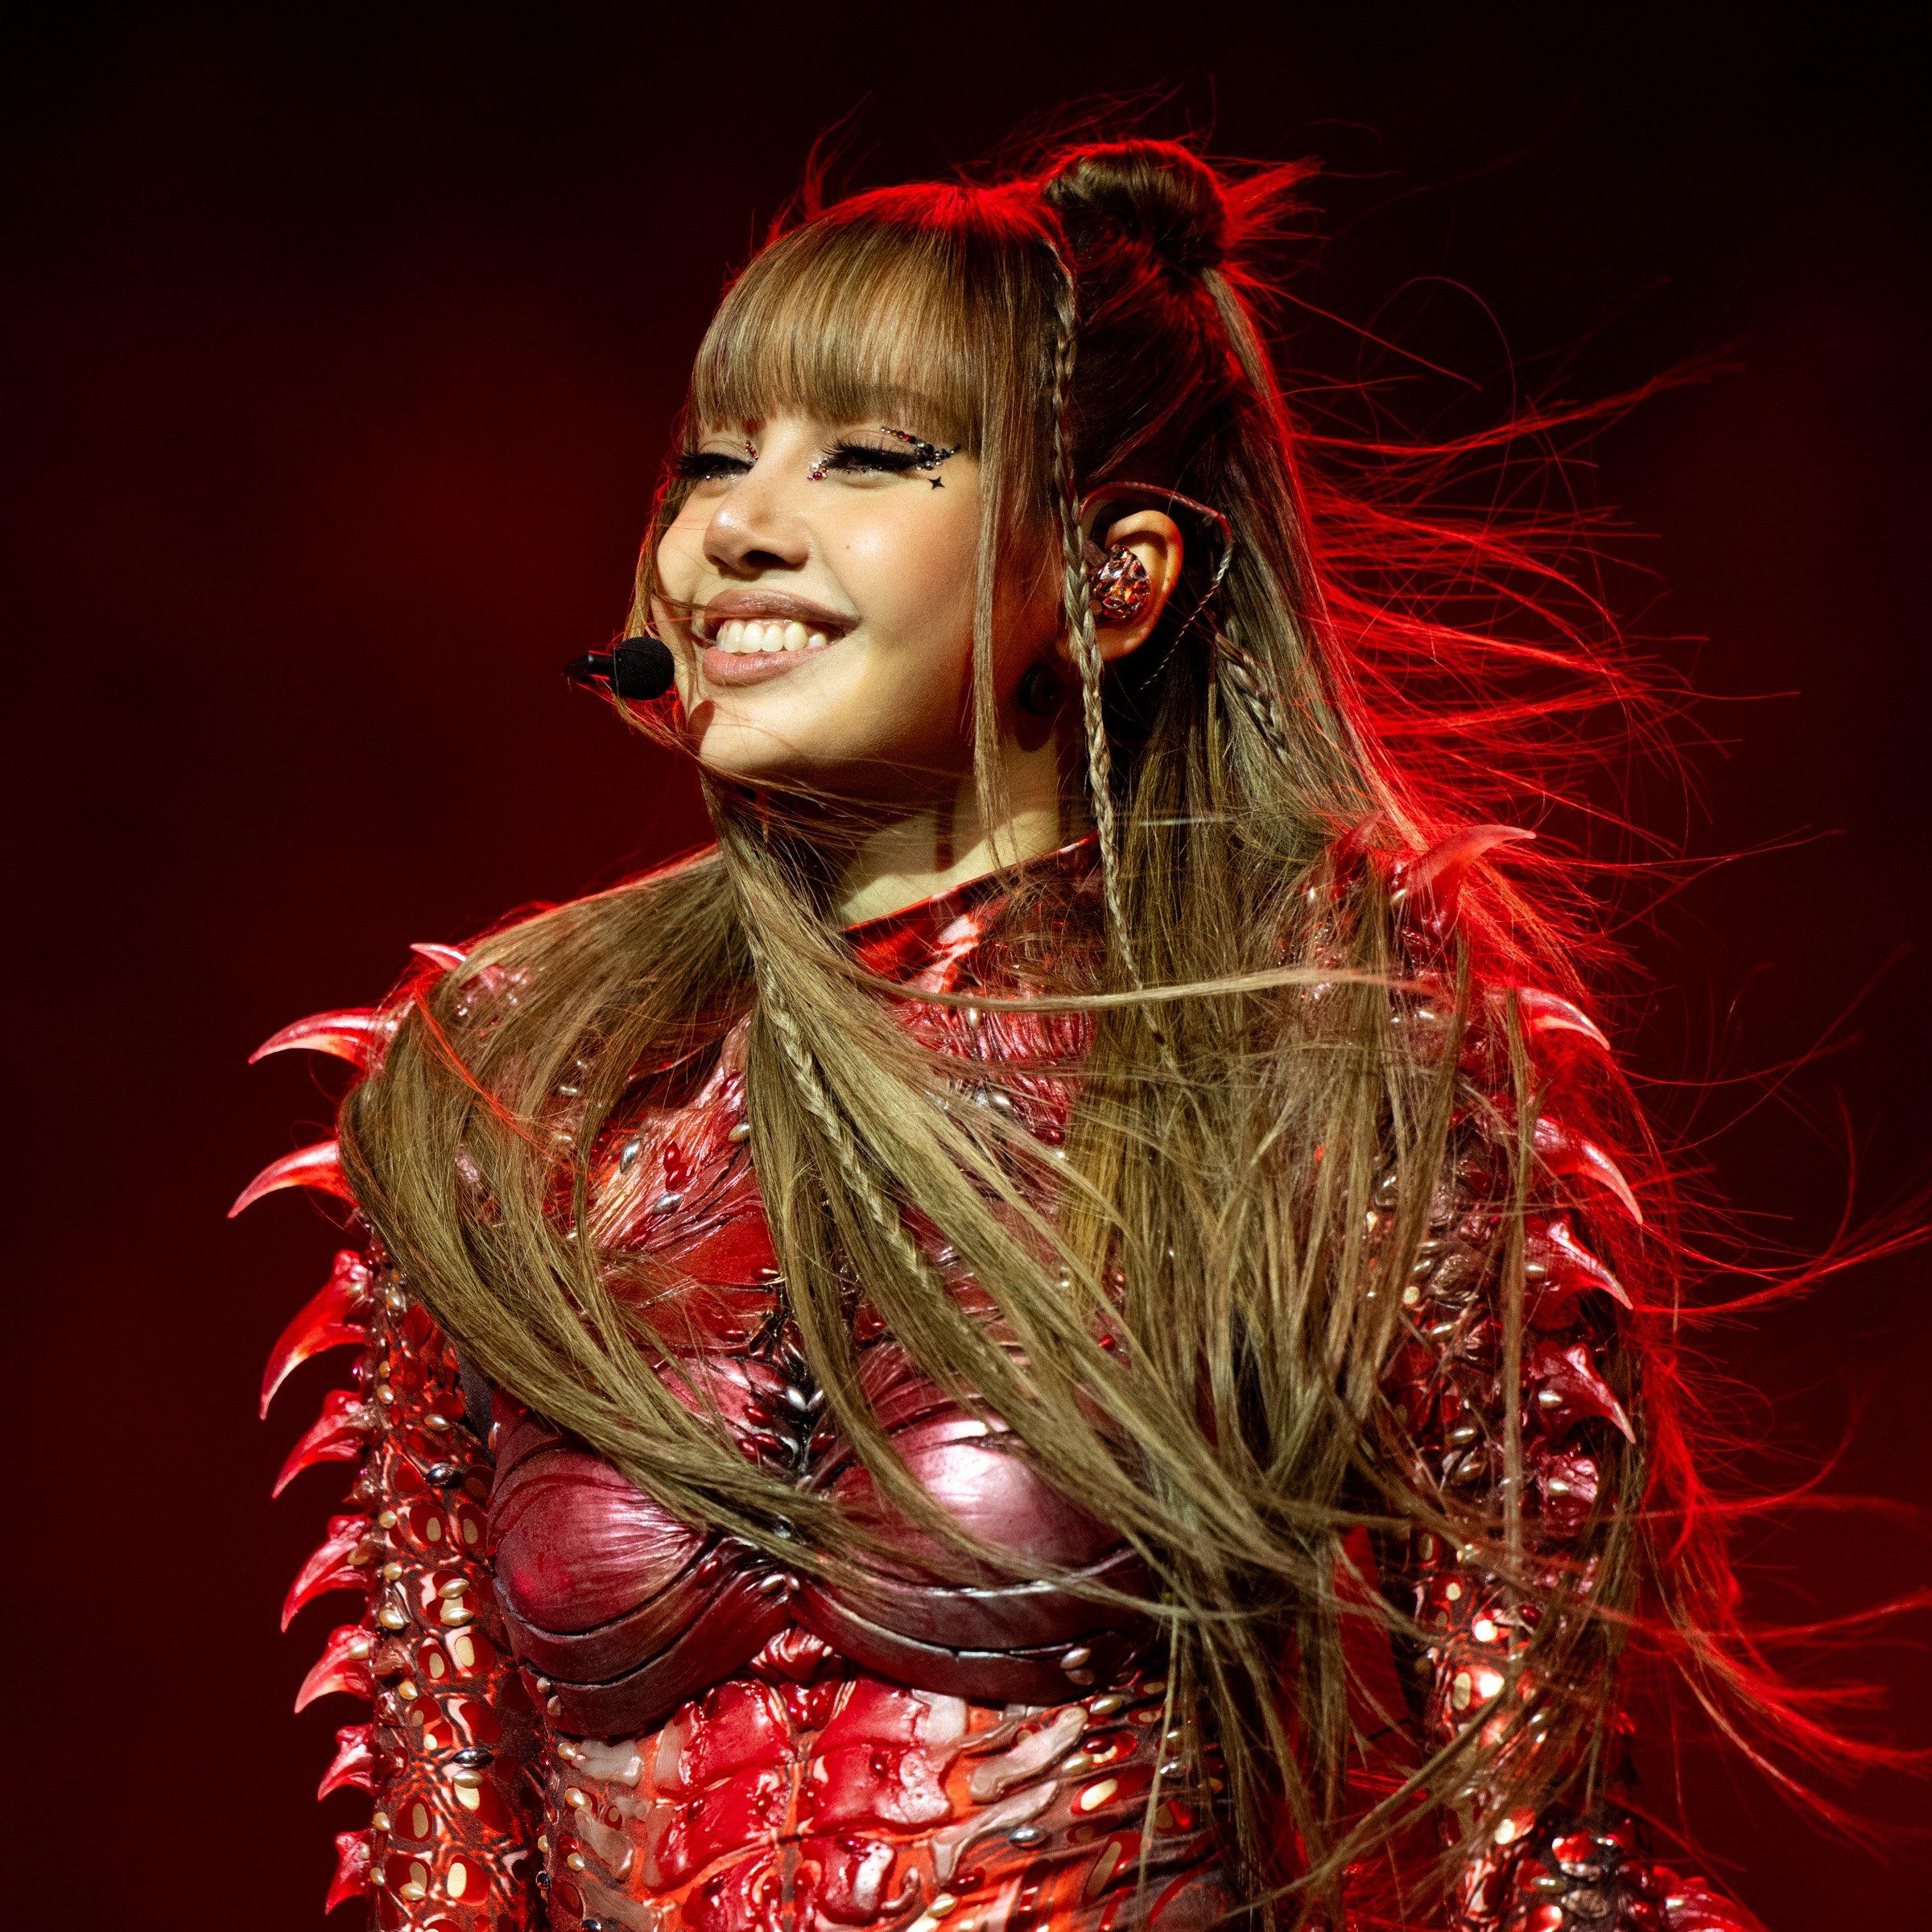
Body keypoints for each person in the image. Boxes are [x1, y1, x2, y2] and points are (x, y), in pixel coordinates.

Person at [240, 139, 1774, 1930]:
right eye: (714, 460)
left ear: (1113, 580)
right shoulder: (502, 1083)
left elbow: (1545, 1862)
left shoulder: (1334, 1023)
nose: (733, 528)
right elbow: (441, 1870)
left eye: (870, 456)